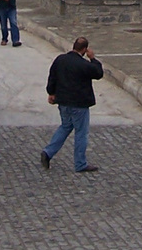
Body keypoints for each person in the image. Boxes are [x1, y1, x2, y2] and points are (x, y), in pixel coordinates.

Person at [40, 36, 103, 173]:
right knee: (81, 132)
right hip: (79, 104)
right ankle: (80, 163)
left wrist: (51, 92)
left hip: (63, 102)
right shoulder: (84, 65)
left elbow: (52, 77)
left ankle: (48, 152)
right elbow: (98, 73)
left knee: (65, 127)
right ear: (85, 49)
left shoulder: (60, 60)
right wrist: (93, 58)